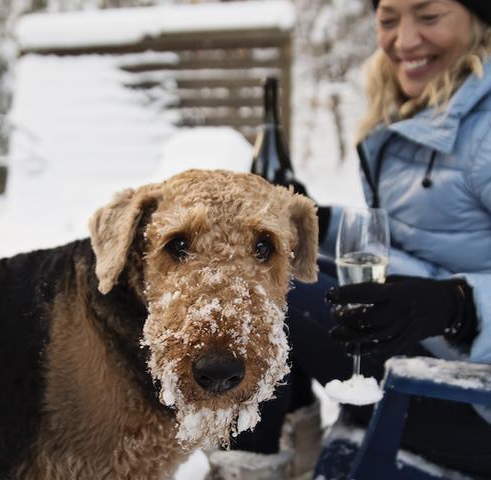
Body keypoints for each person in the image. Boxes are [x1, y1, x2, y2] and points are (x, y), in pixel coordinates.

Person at [208, 0, 491, 478]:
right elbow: (415, 238)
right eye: (388, 19)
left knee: (271, 288)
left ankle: (250, 464)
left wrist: (460, 306)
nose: (403, 41)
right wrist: (317, 220)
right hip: (431, 360)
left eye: (429, 16)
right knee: (282, 261)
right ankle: (282, 440)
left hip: (469, 401)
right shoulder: (428, 109)